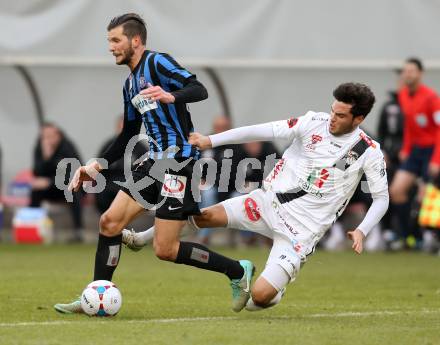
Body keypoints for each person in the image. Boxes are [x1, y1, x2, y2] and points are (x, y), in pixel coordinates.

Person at [123, 82, 389, 310]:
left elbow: (381, 198)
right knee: (203, 216)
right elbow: (262, 130)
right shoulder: (313, 123)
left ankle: (275, 289)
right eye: (333, 110)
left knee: (258, 300)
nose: (332, 118)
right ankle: (142, 238)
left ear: (359, 119)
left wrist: (362, 230)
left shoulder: (368, 151)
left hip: (301, 231)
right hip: (266, 203)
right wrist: (211, 140)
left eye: (341, 115)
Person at [54, 13, 254, 314]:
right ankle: (96, 295)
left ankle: (237, 270)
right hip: (153, 163)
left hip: (179, 162)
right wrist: (95, 166)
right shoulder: (129, 84)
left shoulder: (157, 62)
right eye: (109, 41)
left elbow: (198, 88)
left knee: (165, 249)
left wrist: (170, 95)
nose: (110, 47)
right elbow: (129, 135)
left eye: (116, 40)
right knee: (109, 223)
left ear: (135, 40)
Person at [389, 58, 440, 248]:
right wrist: (406, 148)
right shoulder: (402, 95)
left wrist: (436, 160)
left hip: (433, 150)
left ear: (420, 73)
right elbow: (410, 126)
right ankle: (409, 237)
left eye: (411, 71)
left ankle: (431, 238)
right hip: (415, 152)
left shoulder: (431, 98)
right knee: (396, 191)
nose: (407, 74)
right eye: (405, 71)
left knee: (425, 198)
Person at [30, 123, 83, 242]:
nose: (46, 140)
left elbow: (72, 173)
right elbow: (37, 172)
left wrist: (50, 182)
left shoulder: (67, 147)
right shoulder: (40, 148)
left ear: (58, 136)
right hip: (51, 188)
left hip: (68, 185)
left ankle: (78, 233)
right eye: (44, 137)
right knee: (35, 191)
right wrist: (46, 157)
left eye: (50, 136)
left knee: (73, 191)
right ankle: (32, 228)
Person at [95, 115, 148, 214]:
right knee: (102, 194)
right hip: (109, 182)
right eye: (121, 127)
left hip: (130, 183)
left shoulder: (140, 147)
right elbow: (98, 168)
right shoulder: (109, 145)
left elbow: (147, 170)